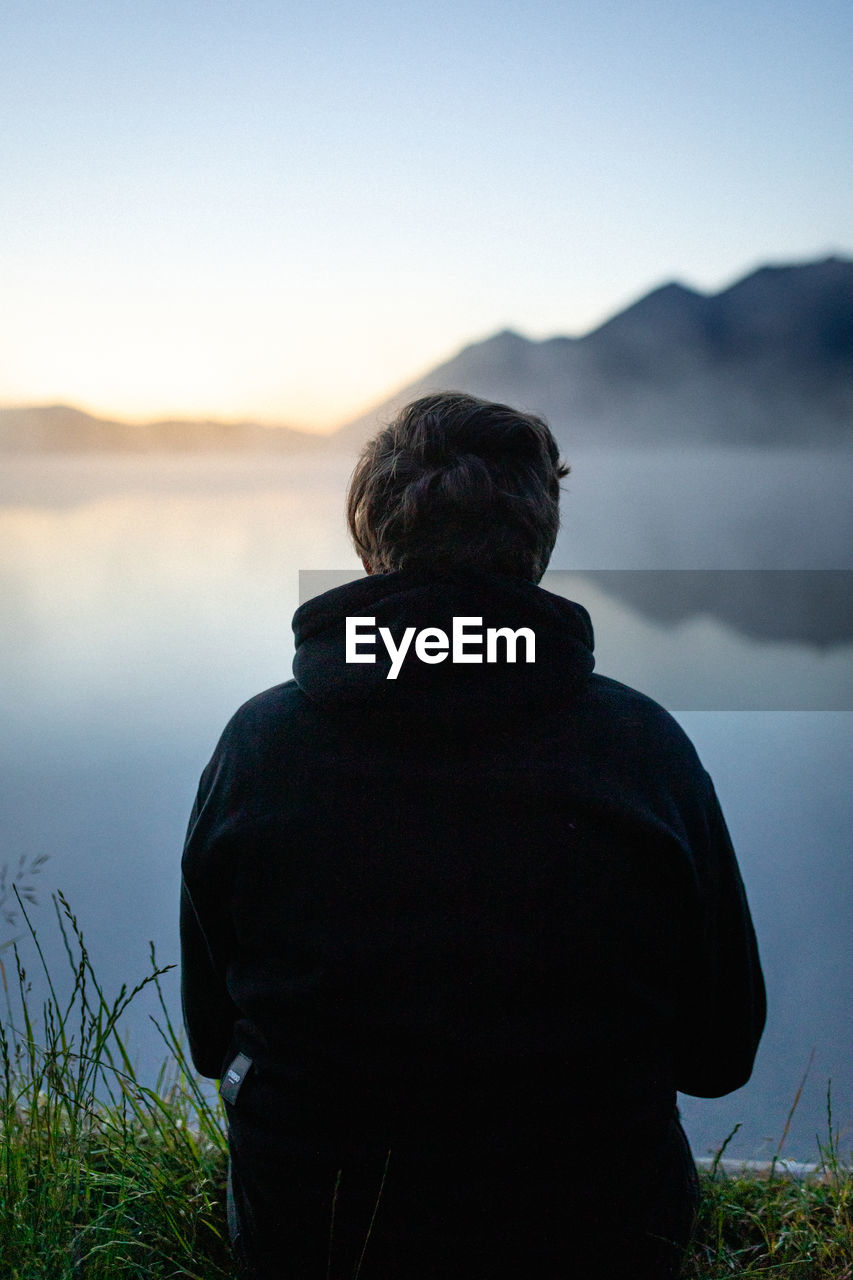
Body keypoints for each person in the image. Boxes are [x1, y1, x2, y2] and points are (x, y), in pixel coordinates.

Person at [180, 392, 766, 1279]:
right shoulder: (641, 748)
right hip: (601, 1244)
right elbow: (719, 1056)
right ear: (537, 542)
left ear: (370, 543)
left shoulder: (259, 746)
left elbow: (210, 1035)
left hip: (318, 1240)